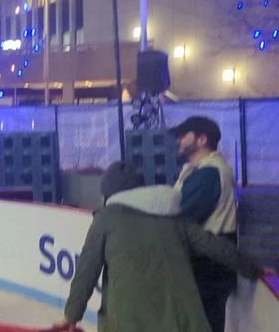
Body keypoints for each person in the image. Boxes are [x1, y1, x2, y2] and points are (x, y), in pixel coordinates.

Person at [55, 161, 274, 332]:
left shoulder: (106, 219)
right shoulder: (174, 215)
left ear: (107, 193)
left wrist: (71, 316)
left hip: (130, 322)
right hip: (182, 321)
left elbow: (87, 270)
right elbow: (214, 246)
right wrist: (253, 268)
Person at [169, 116, 238, 332]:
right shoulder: (199, 170)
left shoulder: (208, 173)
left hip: (207, 269)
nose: (178, 141)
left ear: (201, 139)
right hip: (208, 266)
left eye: (183, 135)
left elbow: (181, 217)